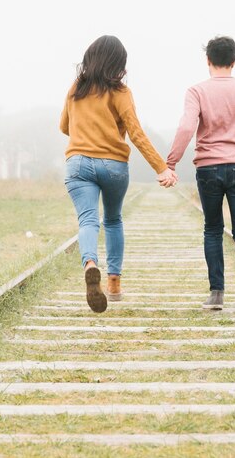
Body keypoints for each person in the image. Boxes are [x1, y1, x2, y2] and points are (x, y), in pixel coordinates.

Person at [60, 35, 177, 313]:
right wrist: (162, 168)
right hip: (113, 165)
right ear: (118, 64)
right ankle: (113, 284)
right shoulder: (122, 92)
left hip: (77, 162)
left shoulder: (77, 88)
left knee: (88, 220)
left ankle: (90, 263)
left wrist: (85, 131)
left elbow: (64, 126)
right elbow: (136, 133)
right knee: (112, 220)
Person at [166, 36, 235, 310]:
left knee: (212, 229)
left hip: (208, 167)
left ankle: (216, 295)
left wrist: (171, 163)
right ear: (234, 61)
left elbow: (187, 128)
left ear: (208, 60)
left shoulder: (197, 91)